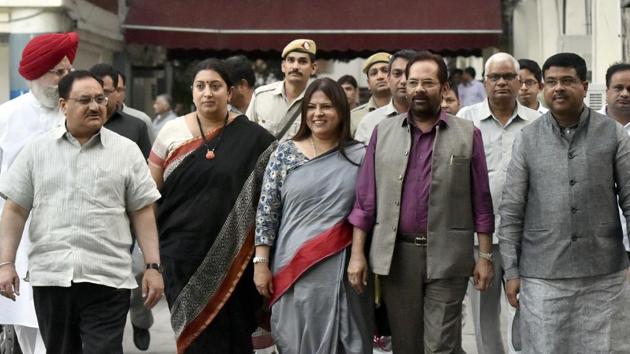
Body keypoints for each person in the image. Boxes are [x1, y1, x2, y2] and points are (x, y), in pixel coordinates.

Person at [0, 70, 164, 354]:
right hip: (51, 277)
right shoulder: (37, 150)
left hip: (108, 278)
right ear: (64, 105)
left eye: (100, 99)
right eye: (85, 99)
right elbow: (15, 209)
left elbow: (143, 211)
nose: (95, 106)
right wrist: (6, 263)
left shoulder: (126, 151)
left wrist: (152, 267)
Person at [347, 51, 495, 353]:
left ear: (443, 88)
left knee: (440, 344)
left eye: (427, 82)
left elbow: (481, 201)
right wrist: (358, 254)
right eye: (411, 81)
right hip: (397, 258)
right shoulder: (383, 132)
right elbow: (365, 201)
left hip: (449, 256)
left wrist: (485, 256)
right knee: (406, 345)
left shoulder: (467, 134)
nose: (417, 89)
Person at [499, 53, 630, 353]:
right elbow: (511, 210)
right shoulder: (527, 138)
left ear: (584, 86)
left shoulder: (612, 133)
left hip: (605, 274)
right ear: (544, 87)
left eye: (568, 81)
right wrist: (511, 272)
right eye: (553, 82)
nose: (559, 88)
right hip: (543, 275)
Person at [148, 58, 275, 354]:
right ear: (191, 92)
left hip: (236, 259)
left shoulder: (256, 139)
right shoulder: (171, 133)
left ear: (229, 93)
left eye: (216, 86)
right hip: (181, 257)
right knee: (194, 338)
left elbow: (272, 200)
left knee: (234, 339)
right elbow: (149, 195)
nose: (208, 93)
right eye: (201, 86)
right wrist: (151, 257)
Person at [253, 78, 371, 354]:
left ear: (341, 111)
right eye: (312, 107)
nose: (318, 113)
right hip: (292, 265)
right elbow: (267, 211)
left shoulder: (360, 156)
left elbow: (365, 211)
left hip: (343, 267)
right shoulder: (284, 153)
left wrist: (359, 254)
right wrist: (261, 262)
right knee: (294, 339)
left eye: (327, 107)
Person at [0, 31, 78, 354]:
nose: (65, 78)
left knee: (61, 334)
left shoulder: (78, 114)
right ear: (35, 74)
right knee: (25, 331)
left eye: (68, 71)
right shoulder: (7, 117)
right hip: (17, 240)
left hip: (69, 239)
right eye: (58, 72)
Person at [458, 52, 540, 354]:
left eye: (508, 77)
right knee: (484, 317)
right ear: (484, 82)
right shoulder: (464, 121)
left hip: (529, 239)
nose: (502, 82)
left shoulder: (539, 123)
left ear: (519, 82)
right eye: (495, 77)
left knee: (530, 313)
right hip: (481, 240)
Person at [247, 39, 317, 140]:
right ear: (283, 66)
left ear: (313, 68)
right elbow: (247, 135)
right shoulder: (261, 96)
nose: (295, 66)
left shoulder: (318, 101)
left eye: (302, 61)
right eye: (291, 60)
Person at [600, 62, 630, 261]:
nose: (625, 94)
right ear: (607, 90)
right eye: (618, 88)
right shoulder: (586, 128)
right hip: (598, 241)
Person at [89, 64, 151, 157]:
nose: (100, 97)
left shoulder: (137, 126)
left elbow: (148, 167)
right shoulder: (79, 124)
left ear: (117, 92)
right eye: (94, 92)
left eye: (105, 92)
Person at [355, 49, 416, 144]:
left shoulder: (435, 118)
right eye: (397, 74)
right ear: (389, 78)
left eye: (409, 73)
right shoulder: (368, 122)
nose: (404, 80)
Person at [350, 52, 392, 134]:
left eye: (385, 70)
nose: (380, 76)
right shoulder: (353, 117)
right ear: (368, 83)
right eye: (374, 73)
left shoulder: (407, 111)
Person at [117, 72, 156, 143]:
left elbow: (152, 152)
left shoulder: (142, 120)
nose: (114, 94)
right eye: (106, 91)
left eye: (118, 90)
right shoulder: (94, 120)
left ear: (124, 91)